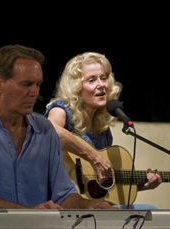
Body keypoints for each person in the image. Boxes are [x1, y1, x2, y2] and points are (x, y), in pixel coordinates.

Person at [0, 44, 119, 210]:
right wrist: (27, 213)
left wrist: (90, 205)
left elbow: (64, 195)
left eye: (38, 84)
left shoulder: (45, 130)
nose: (35, 92)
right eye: (26, 84)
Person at [45, 51, 162, 209]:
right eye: (92, 80)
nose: (101, 85)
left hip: (89, 204)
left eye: (104, 78)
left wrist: (139, 185)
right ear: (76, 87)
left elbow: (99, 185)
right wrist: (94, 157)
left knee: (149, 210)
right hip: (59, 200)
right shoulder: (61, 109)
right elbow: (51, 131)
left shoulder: (102, 129)